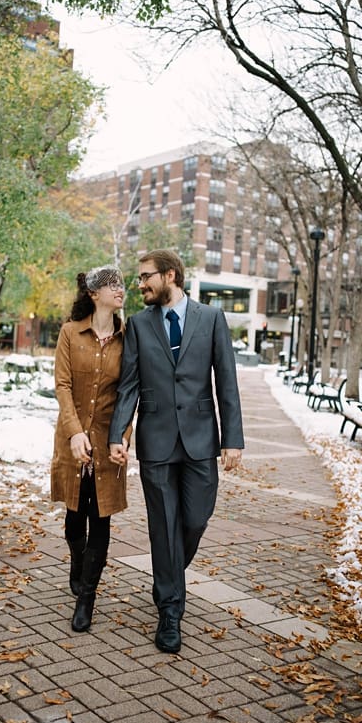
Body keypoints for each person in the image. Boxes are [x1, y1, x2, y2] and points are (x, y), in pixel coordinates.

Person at [108, 249, 244, 654]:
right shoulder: (137, 324)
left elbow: (227, 382)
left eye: (146, 276)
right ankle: (170, 611)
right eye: (139, 278)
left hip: (202, 438)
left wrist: (232, 439)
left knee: (196, 517)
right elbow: (129, 383)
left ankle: (167, 575)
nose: (140, 284)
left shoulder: (212, 319)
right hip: (157, 441)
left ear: (170, 276)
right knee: (162, 526)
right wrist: (120, 433)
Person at [49, 265, 130, 633]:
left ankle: (87, 599)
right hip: (74, 438)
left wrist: (124, 437)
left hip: (108, 440)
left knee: (101, 519)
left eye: (123, 285)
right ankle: (76, 560)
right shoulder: (69, 333)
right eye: (113, 284)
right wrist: (74, 432)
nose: (121, 290)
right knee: (74, 516)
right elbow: (62, 386)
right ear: (95, 294)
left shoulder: (128, 338)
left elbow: (129, 393)